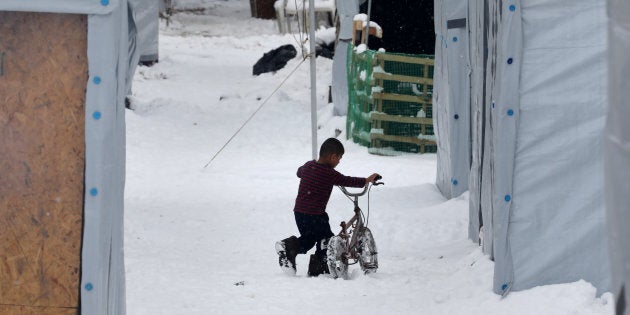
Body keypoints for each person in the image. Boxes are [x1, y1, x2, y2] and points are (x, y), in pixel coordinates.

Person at [275, 138, 380, 276]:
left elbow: (298, 172)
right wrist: (366, 180)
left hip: (300, 212)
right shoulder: (329, 173)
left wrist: (309, 171)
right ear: (333, 156)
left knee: (309, 239)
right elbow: (347, 180)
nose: (339, 162)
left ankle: (289, 247)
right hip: (315, 214)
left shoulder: (308, 166)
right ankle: (319, 267)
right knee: (327, 239)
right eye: (339, 158)